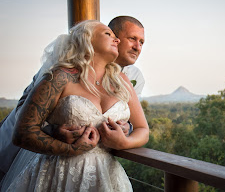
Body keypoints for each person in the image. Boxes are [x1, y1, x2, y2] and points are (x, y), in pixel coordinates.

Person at [4, 20, 149, 191]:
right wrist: (68, 147)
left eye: (142, 42)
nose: (116, 40)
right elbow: (22, 132)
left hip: (107, 177)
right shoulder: (59, 77)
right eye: (108, 34)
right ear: (86, 39)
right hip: (59, 174)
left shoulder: (124, 81)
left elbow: (142, 129)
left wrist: (123, 142)